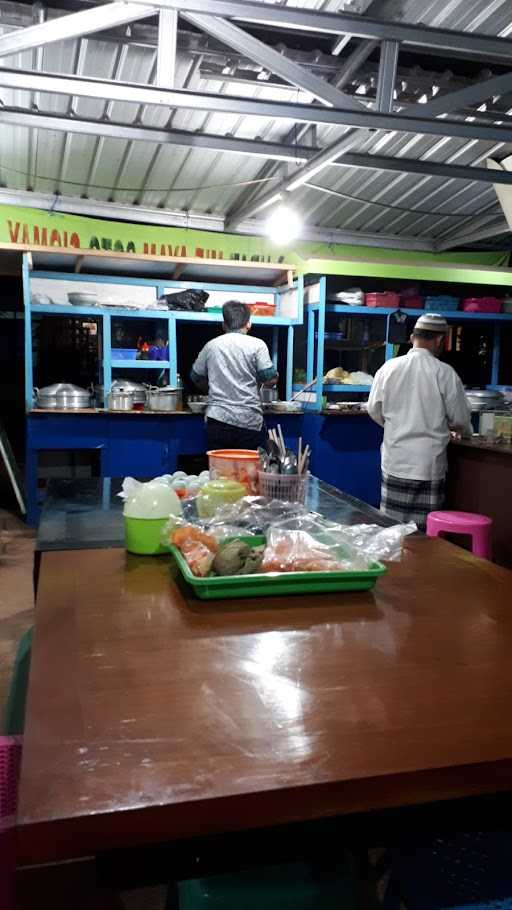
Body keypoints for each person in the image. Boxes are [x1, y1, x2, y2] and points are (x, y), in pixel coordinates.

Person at [367, 312, 472, 530]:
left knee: (393, 532)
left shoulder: (389, 368)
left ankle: (395, 565)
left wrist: (396, 427)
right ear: (440, 340)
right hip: (428, 465)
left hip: (396, 461)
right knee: (425, 535)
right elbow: (460, 419)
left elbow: (374, 410)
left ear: (413, 337)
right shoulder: (445, 373)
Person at [191, 300, 278, 450]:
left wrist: (210, 389)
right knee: (247, 472)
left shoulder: (211, 346)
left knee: (220, 471)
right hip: (249, 422)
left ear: (224, 325)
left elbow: (196, 376)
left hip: (217, 420)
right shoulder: (257, 345)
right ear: (248, 323)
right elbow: (269, 377)